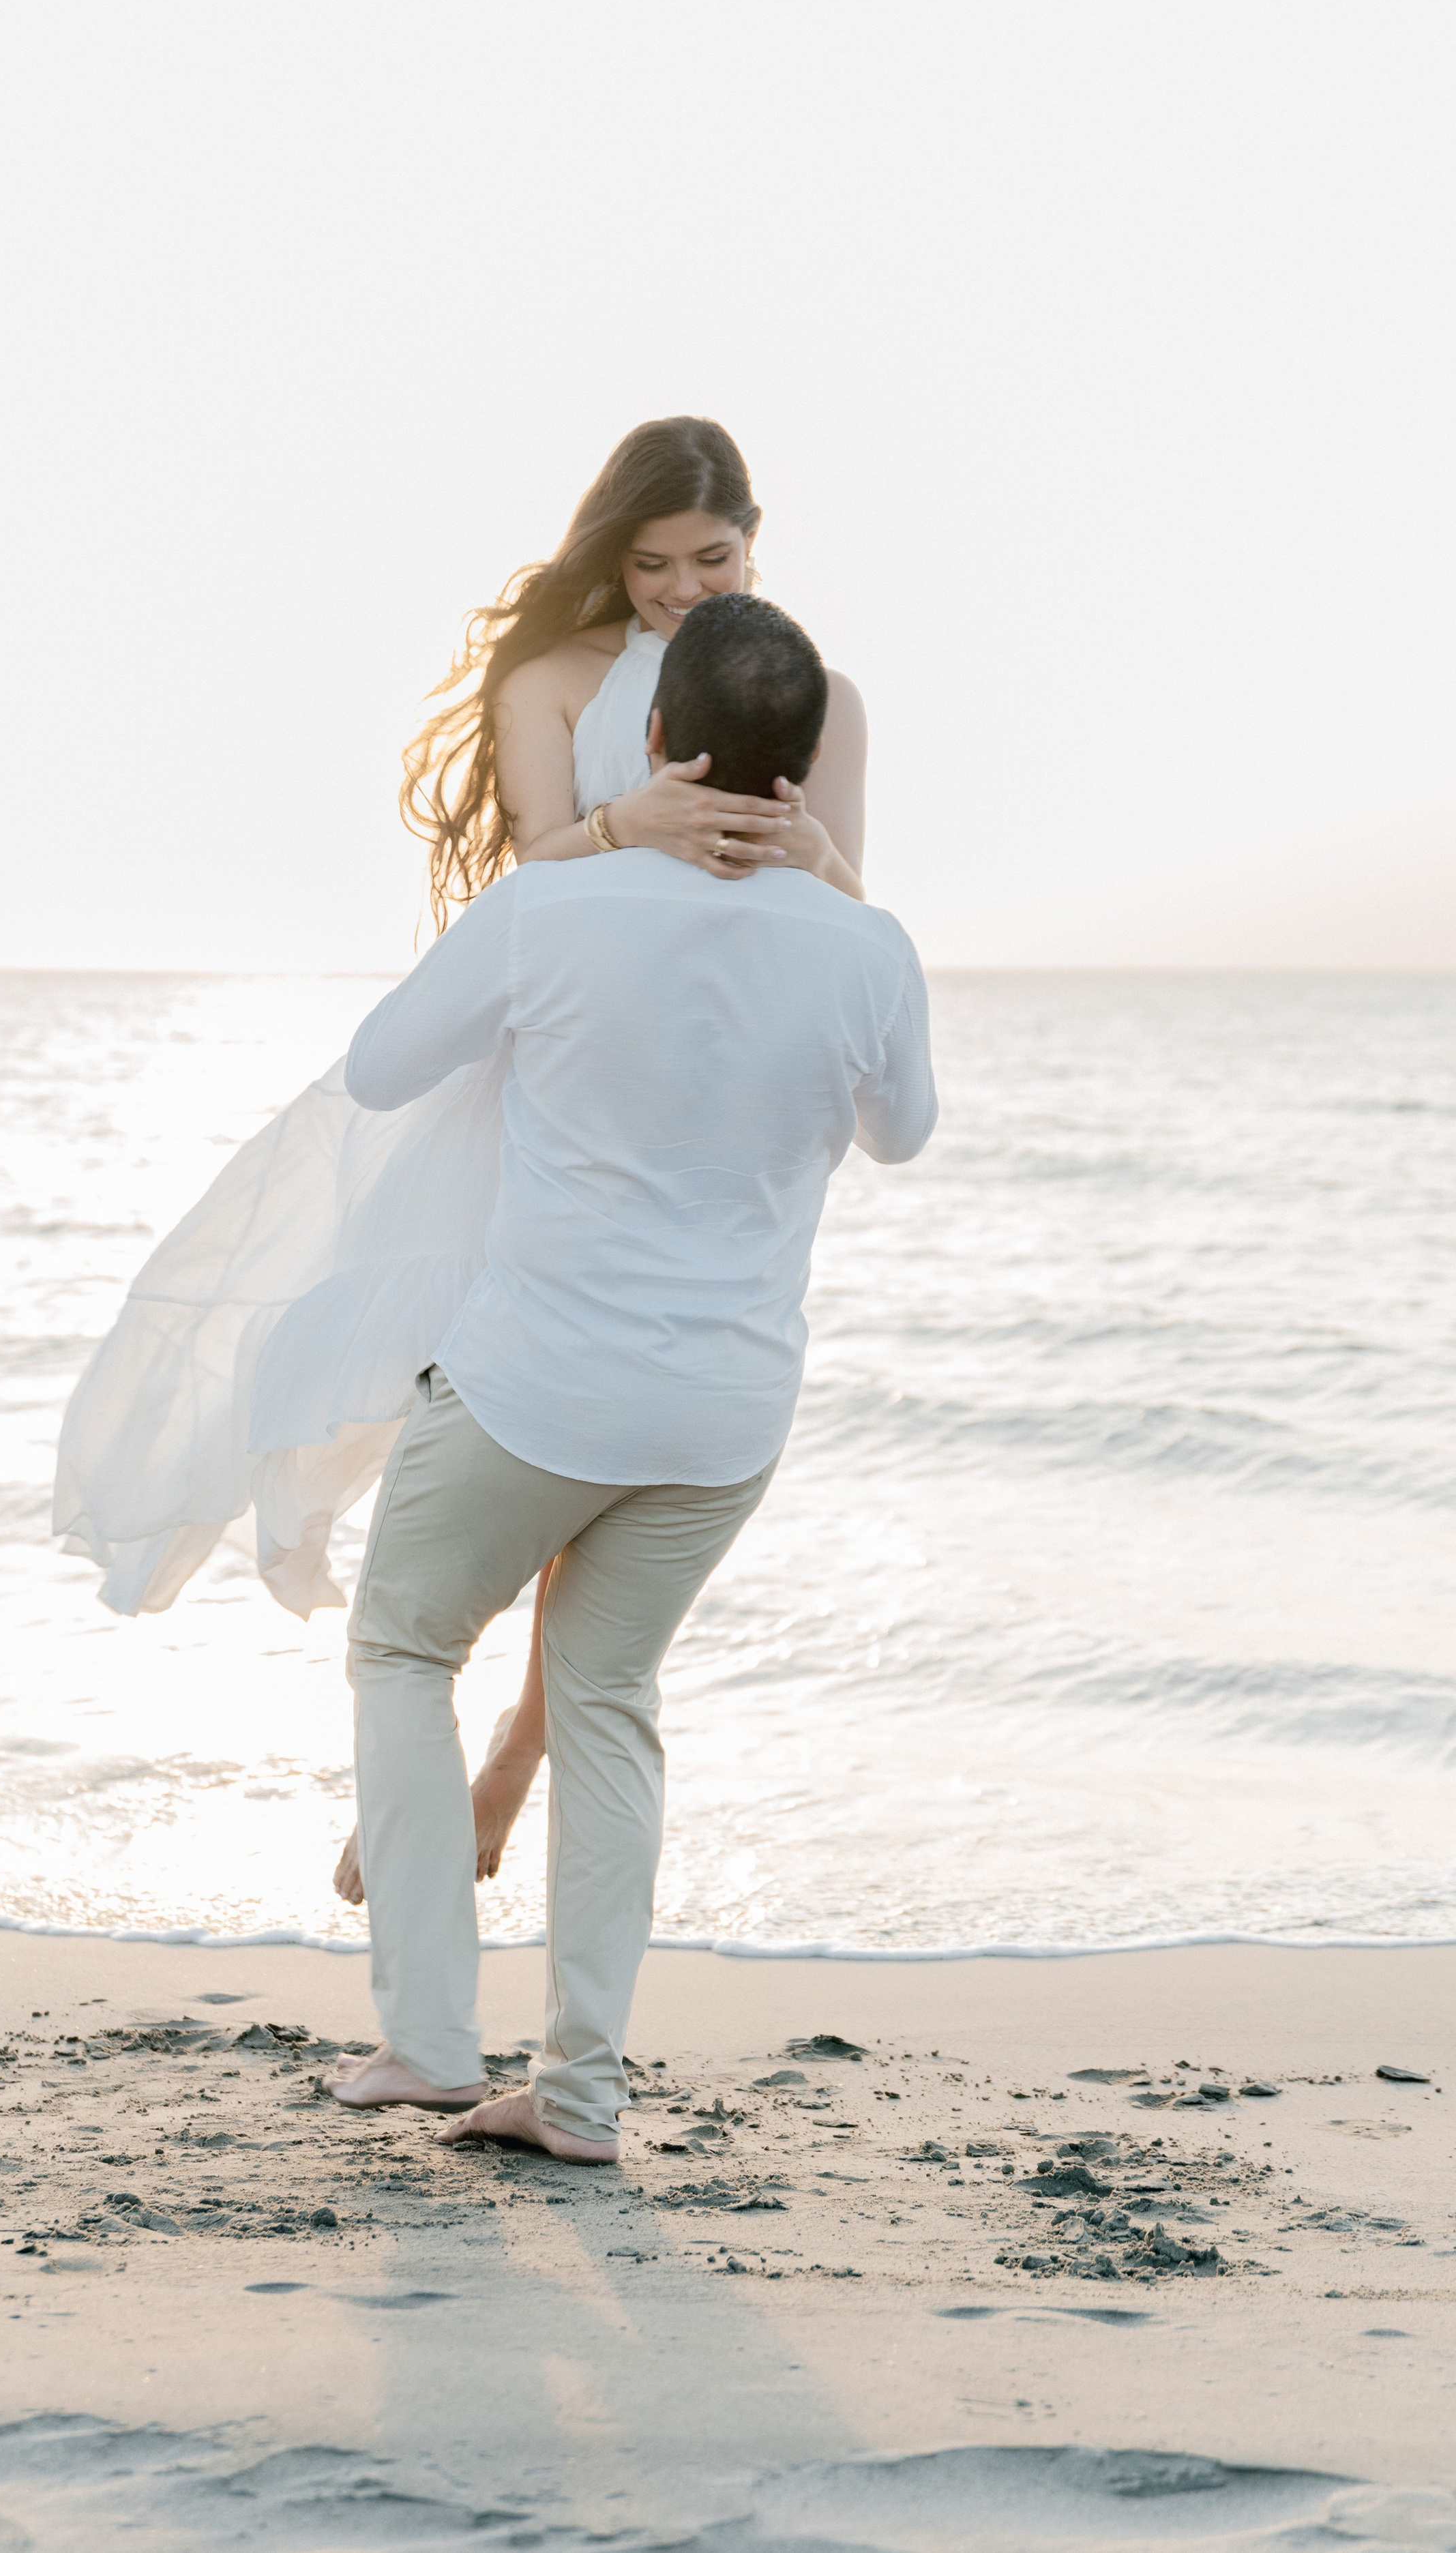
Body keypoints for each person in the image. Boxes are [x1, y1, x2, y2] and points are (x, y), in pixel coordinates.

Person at [52, 419, 872, 1904]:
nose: (683, 587)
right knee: (470, 1419)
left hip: (697, 1107)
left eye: (713, 557)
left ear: (756, 539)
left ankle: (511, 1761)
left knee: (610, 1463)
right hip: (541, 1088)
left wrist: (804, 854)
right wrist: (625, 823)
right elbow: (526, 876)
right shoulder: (548, 680)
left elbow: (850, 904)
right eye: (652, 562)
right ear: (610, 553)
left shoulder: (813, 698)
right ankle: (424, 1752)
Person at [327, 593, 935, 2157]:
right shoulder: (865, 944)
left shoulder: (553, 908)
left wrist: (581, 856)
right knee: (606, 1702)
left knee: (403, 1644)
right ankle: (580, 2092)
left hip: (534, 1386)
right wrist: (832, 884)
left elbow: (382, 1068)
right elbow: (902, 1133)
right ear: (802, 766)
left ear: (656, 738)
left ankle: (428, 2041)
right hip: (723, 1415)